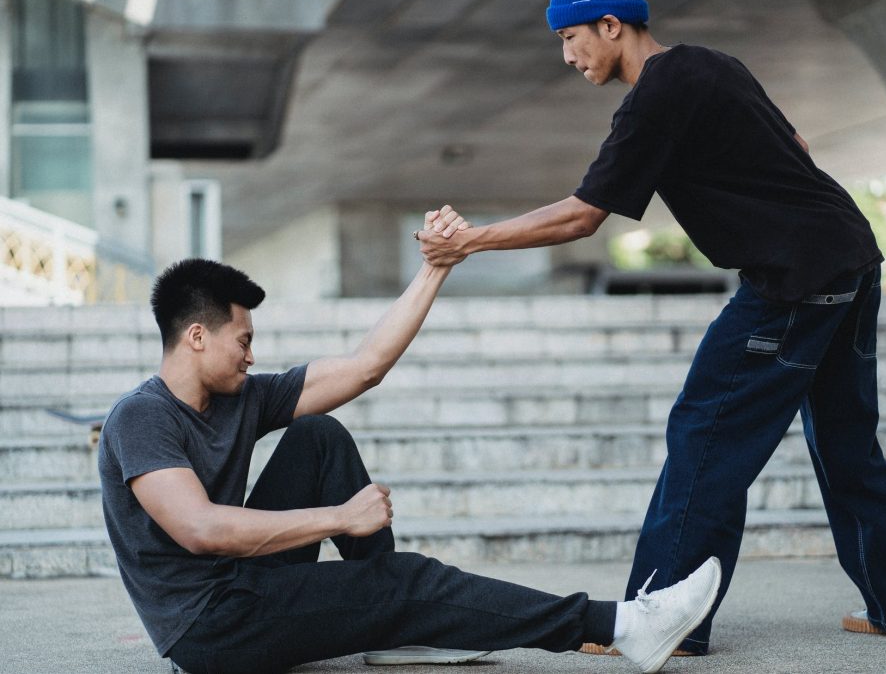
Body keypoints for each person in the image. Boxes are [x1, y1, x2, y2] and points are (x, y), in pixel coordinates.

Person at [416, 0, 886, 656]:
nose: (567, 54)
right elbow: (798, 146)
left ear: (611, 25)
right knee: (848, 444)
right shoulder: (712, 64)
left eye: (571, 36)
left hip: (791, 279)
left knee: (706, 436)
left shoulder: (653, 96)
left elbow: (583, 215)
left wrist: (471, 241)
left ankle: (662, 620)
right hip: (850, 257)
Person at [97, 206, 723, 674]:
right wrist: (339, 517)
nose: (251, 355)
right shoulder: (142, 418)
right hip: (207, 629)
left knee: (317, 435)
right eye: (243, 341)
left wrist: (435, 268)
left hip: (244, 585)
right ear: (197, 337)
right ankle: (622, 626)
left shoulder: (242, 397)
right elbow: (200, 529)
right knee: (407, 583)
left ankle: (396, 622)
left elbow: (367, 365)